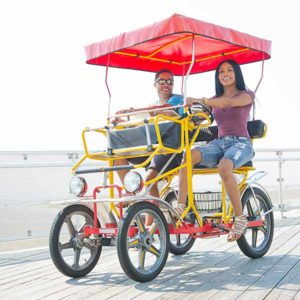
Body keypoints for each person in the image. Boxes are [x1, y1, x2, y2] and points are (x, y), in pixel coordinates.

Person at [177, 59, 255, 242]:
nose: (225, 74)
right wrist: (190, 109)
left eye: (229, 70)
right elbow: (204, 113)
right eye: (221, 71)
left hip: (241, 144)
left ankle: (240, 218)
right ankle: (180, 207)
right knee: (188, 156)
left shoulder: (246, 94)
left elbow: (227, 103)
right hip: (219, 143)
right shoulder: (213, 100)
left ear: (236, 73)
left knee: (224, 167)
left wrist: (201, 99)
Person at [114, 69, 184, 225]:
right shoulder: (152, 105)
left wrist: (133, 111)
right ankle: (129, 190)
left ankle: (151, 222)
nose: (166, 84)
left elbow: (165, 110)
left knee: (150, 178)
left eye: (170, 81)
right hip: (153, 148)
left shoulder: (178, 99)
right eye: (162, 81)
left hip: (170, 149)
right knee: (117, 155)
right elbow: (145, 116)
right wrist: (124, 119)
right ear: (155, 84)